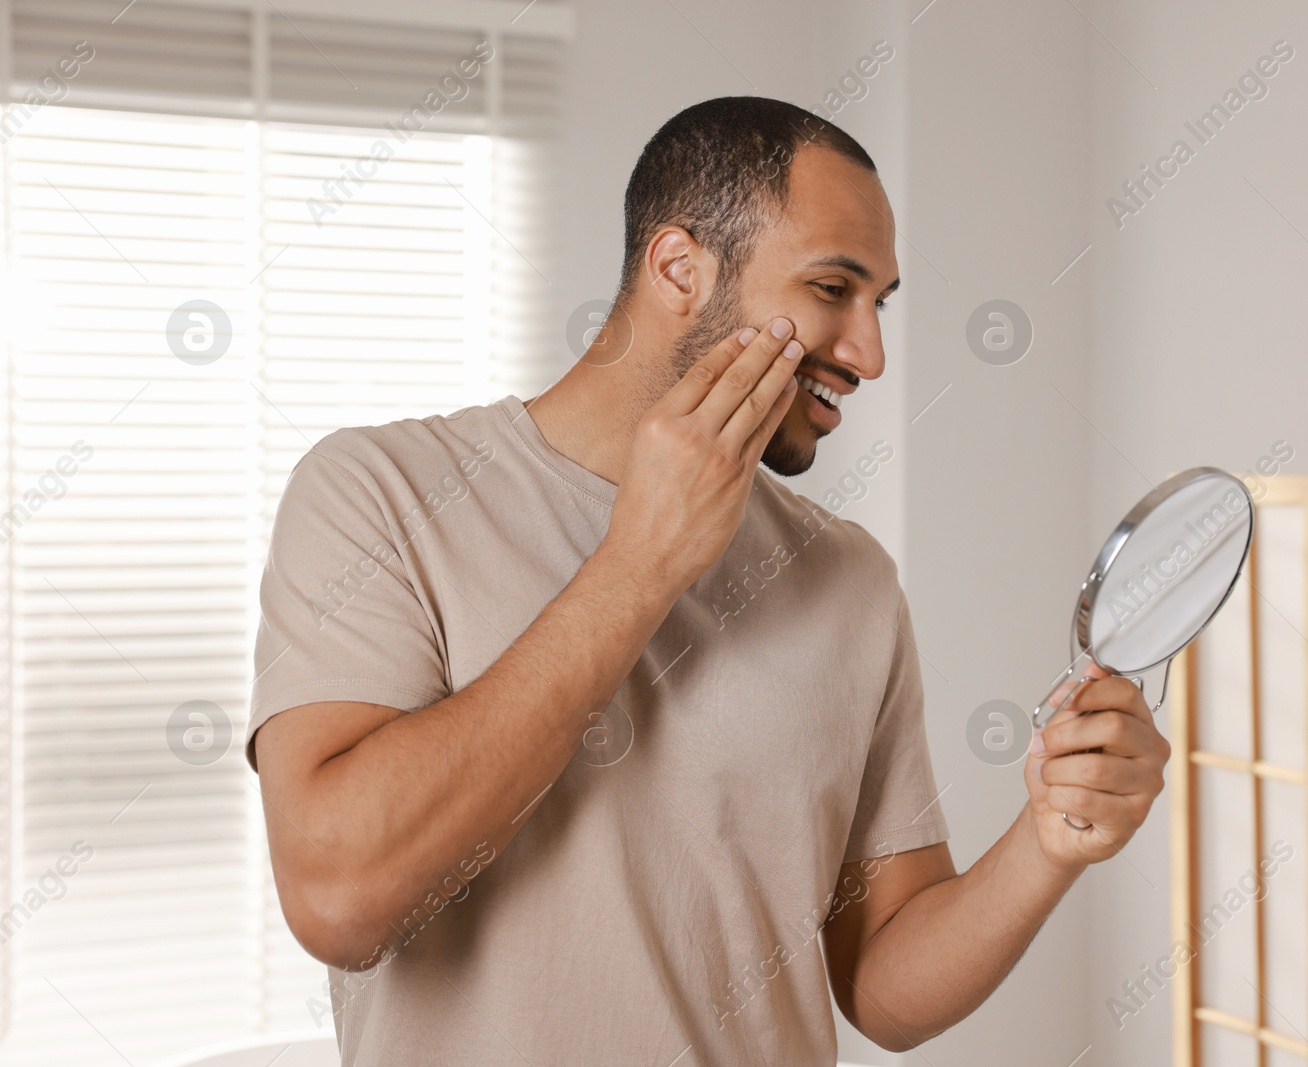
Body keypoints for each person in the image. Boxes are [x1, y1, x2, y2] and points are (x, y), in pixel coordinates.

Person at [248, 95, 1169, 1066]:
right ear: (680, 268)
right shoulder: (379, 493)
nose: (870, 352)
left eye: (879, 303)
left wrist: (1048, 841)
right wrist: (640, 563)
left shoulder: (848, 577)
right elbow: (339, 897)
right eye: (830, 288)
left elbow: (883, 988)